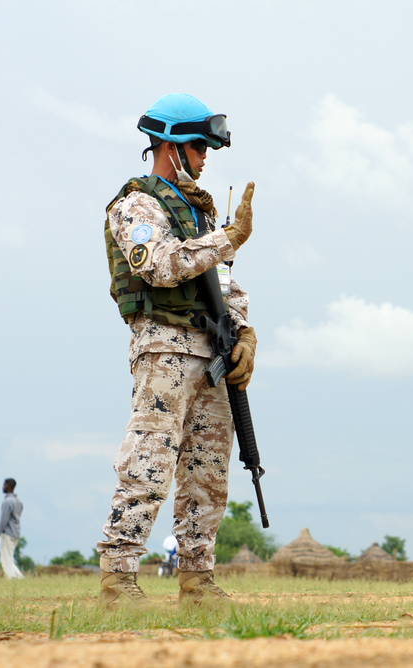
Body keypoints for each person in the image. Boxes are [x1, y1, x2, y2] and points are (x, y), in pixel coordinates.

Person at [97, 94, 258, 608]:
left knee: (208, 471)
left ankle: (197, 581)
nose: (205, 155)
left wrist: (246, 334)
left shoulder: (201, 213)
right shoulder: (137, 205)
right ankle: (118, 579)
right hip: (164, 348)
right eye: (197, 145)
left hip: (211, 352)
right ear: (167, 145)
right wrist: (229, 238)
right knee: (149, 461)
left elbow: (227, 286)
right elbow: (157, 264)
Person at [0, 478, 24, 580]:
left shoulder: (7, 502)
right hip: (16, 533)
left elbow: (3, 521)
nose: (3, 487)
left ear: (8, 486)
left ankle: (17, 580)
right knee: (10, 559)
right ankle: (19, 579)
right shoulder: (18, 501)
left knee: (6, 561)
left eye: (4, 485)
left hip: (8, 534)